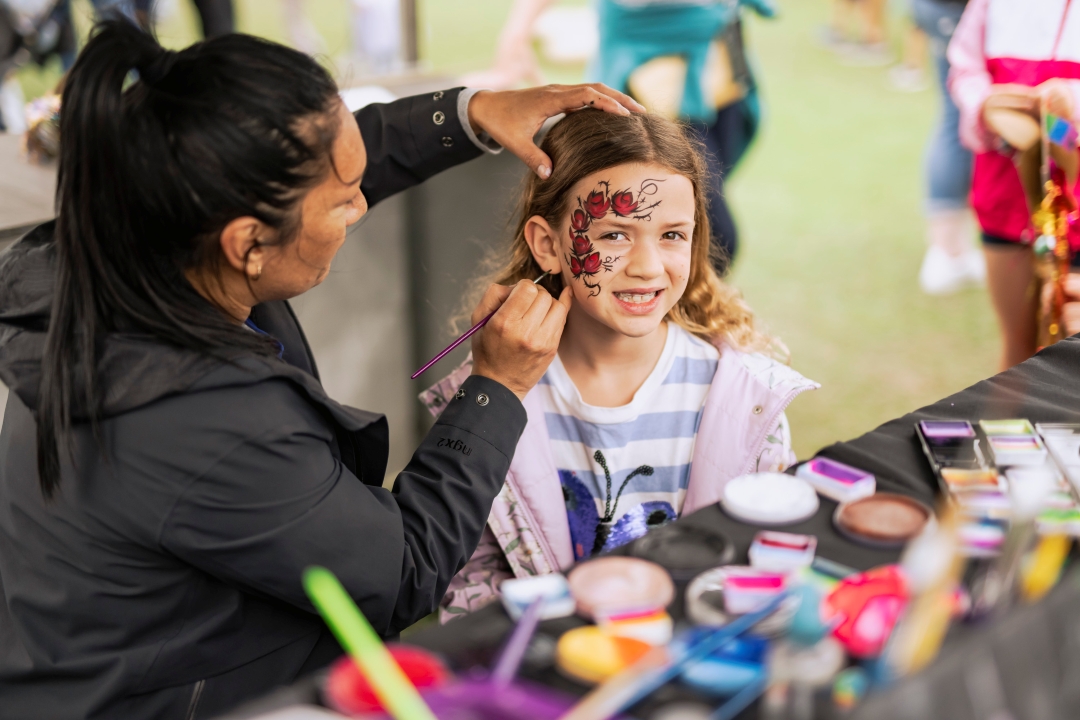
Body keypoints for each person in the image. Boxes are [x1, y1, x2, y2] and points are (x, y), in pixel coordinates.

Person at [0, 19, 643, 718]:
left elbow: (326, 160)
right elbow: (402, 570)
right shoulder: (196, 419)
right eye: (344, 203)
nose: (362, 205)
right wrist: (495, 389)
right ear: (247, 243)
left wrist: (469, 115)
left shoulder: (130, 228)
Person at [420, 109, 817, 620]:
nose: (648, 266)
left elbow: (771, 559)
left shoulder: (747, 402)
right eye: (613, 235)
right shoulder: (490, 406)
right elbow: (468, 582)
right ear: (549, 245)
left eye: (673, 235)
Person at [459, 0, 775, 275]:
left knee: (689, 225)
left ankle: (685, 326)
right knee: (712, 234)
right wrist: (514, 41)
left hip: (721, 60)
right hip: (649, 70)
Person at [948, 0, 1080, 370]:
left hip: (1074, 200)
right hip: (1005, 194)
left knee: (1067, 361)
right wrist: (987, 106)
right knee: (1018, 356)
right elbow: (964, 69)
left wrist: (1066, 108)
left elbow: (1064, 129)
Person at [912, 0, 983, 295]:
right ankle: (947, 252)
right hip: (953, 9)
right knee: (958, 119)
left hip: (946, 9)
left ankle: (956, 248)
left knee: (958, 116)